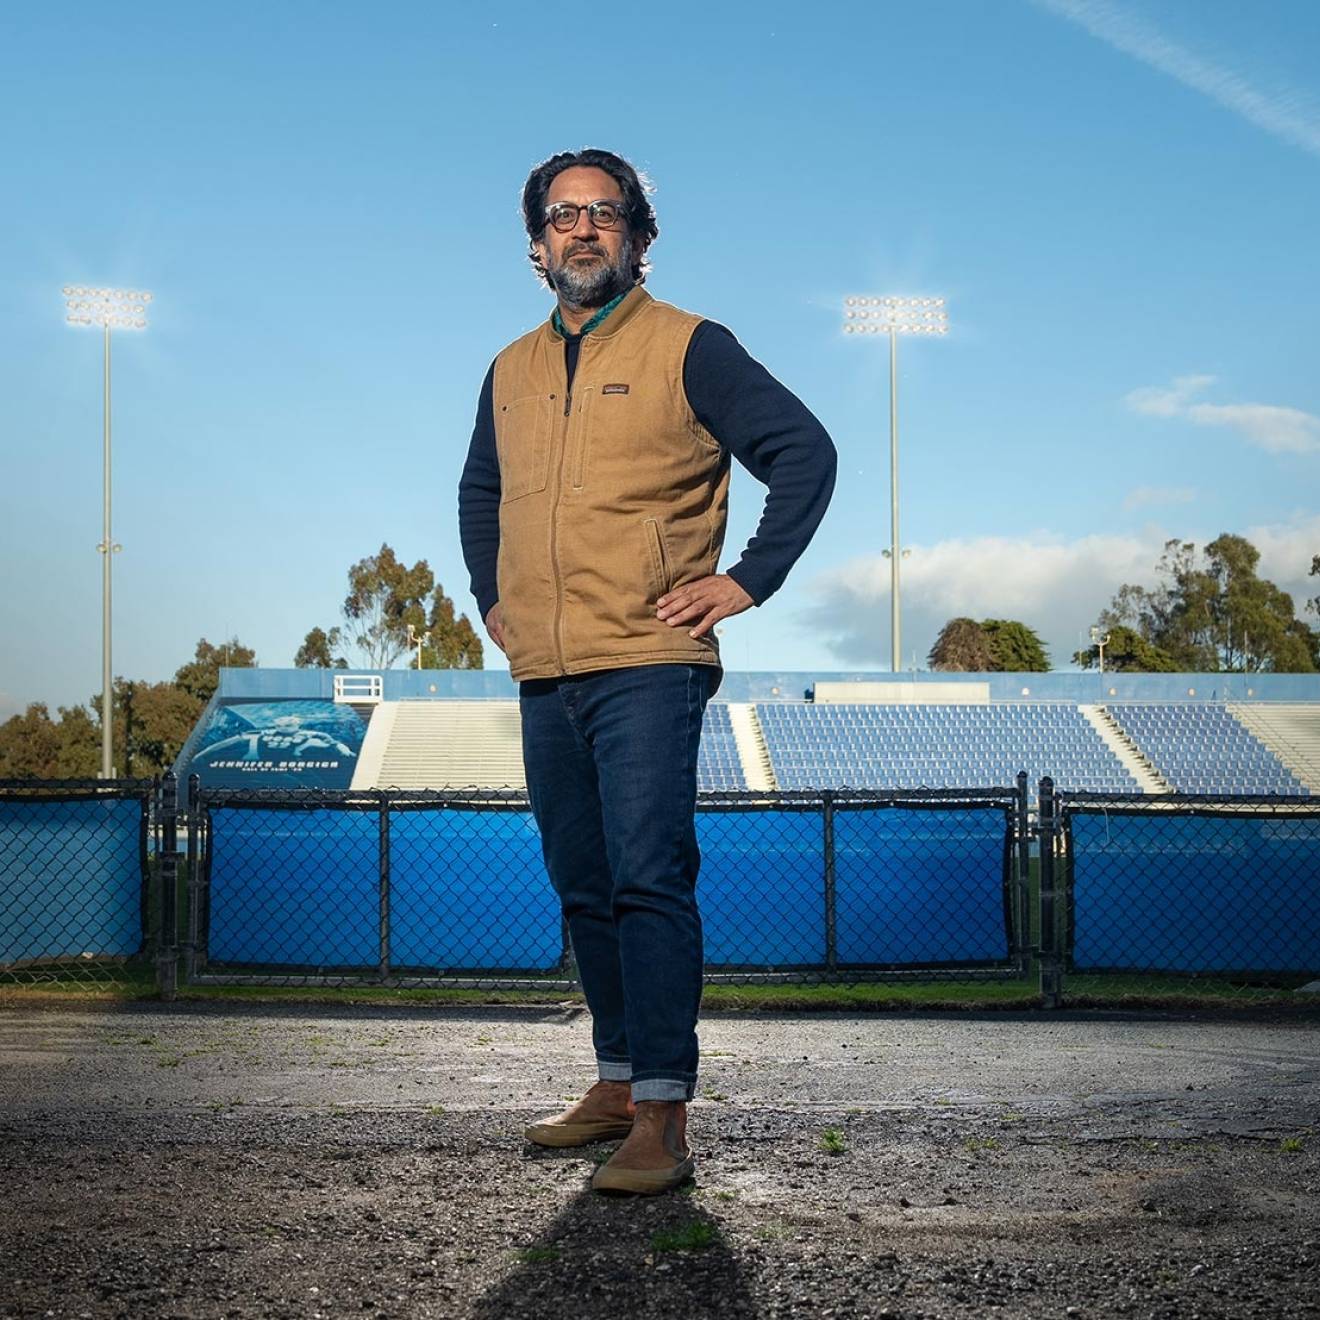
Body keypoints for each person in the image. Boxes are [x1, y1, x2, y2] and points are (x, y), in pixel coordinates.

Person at [458, 148, 836, 1194]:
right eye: (564, 214)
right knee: (582, 885)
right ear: (538, 245)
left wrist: (747, 580)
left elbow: (805, 450)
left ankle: (663, 1117)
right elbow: (479, 491)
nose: (584, 229)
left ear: (639, 237)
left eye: (605, 212)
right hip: (546, 668)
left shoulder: (692, 348)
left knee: (646, 879)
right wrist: (495, 600)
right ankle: (617, 1083)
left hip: (648, 661)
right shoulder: (508, 368)